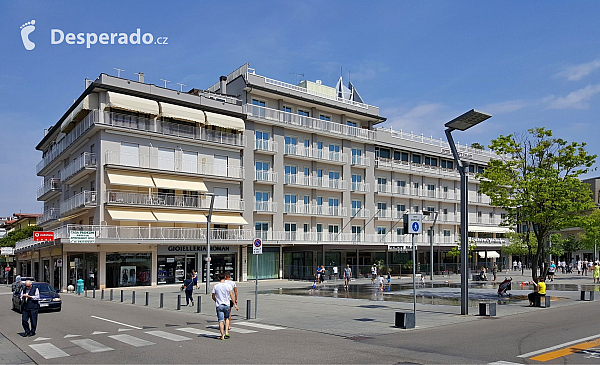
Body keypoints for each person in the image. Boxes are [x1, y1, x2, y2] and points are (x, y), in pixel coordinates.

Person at [211, 273, 238, 340]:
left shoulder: (216, 286)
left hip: (219, 305)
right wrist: (234, 304)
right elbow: (231, 295)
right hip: (227, 305)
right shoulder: (228, 286)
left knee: (220, 321)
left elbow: (213, 296)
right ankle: (226, 332)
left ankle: (222, 335)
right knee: (227, 318)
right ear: (225, 278)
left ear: (218, 278)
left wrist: (216, 300)